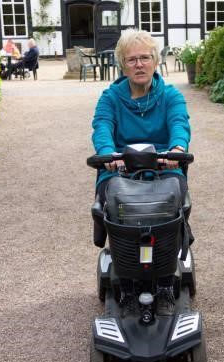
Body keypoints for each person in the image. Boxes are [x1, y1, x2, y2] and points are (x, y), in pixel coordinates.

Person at [91, 28, 192, 315]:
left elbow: (179, 123)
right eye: (132, 59)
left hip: (163, 164)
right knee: (112, 201)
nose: (139, 64)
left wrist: (176, 147)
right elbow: (102, 126)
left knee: (177, 200)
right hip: (120, 166)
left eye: (145, 58)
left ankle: (165, 269)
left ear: (155, 61)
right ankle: (124, 266)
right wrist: (107, 153)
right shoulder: (110, 98)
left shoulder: (170, 95)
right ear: (122, 64)